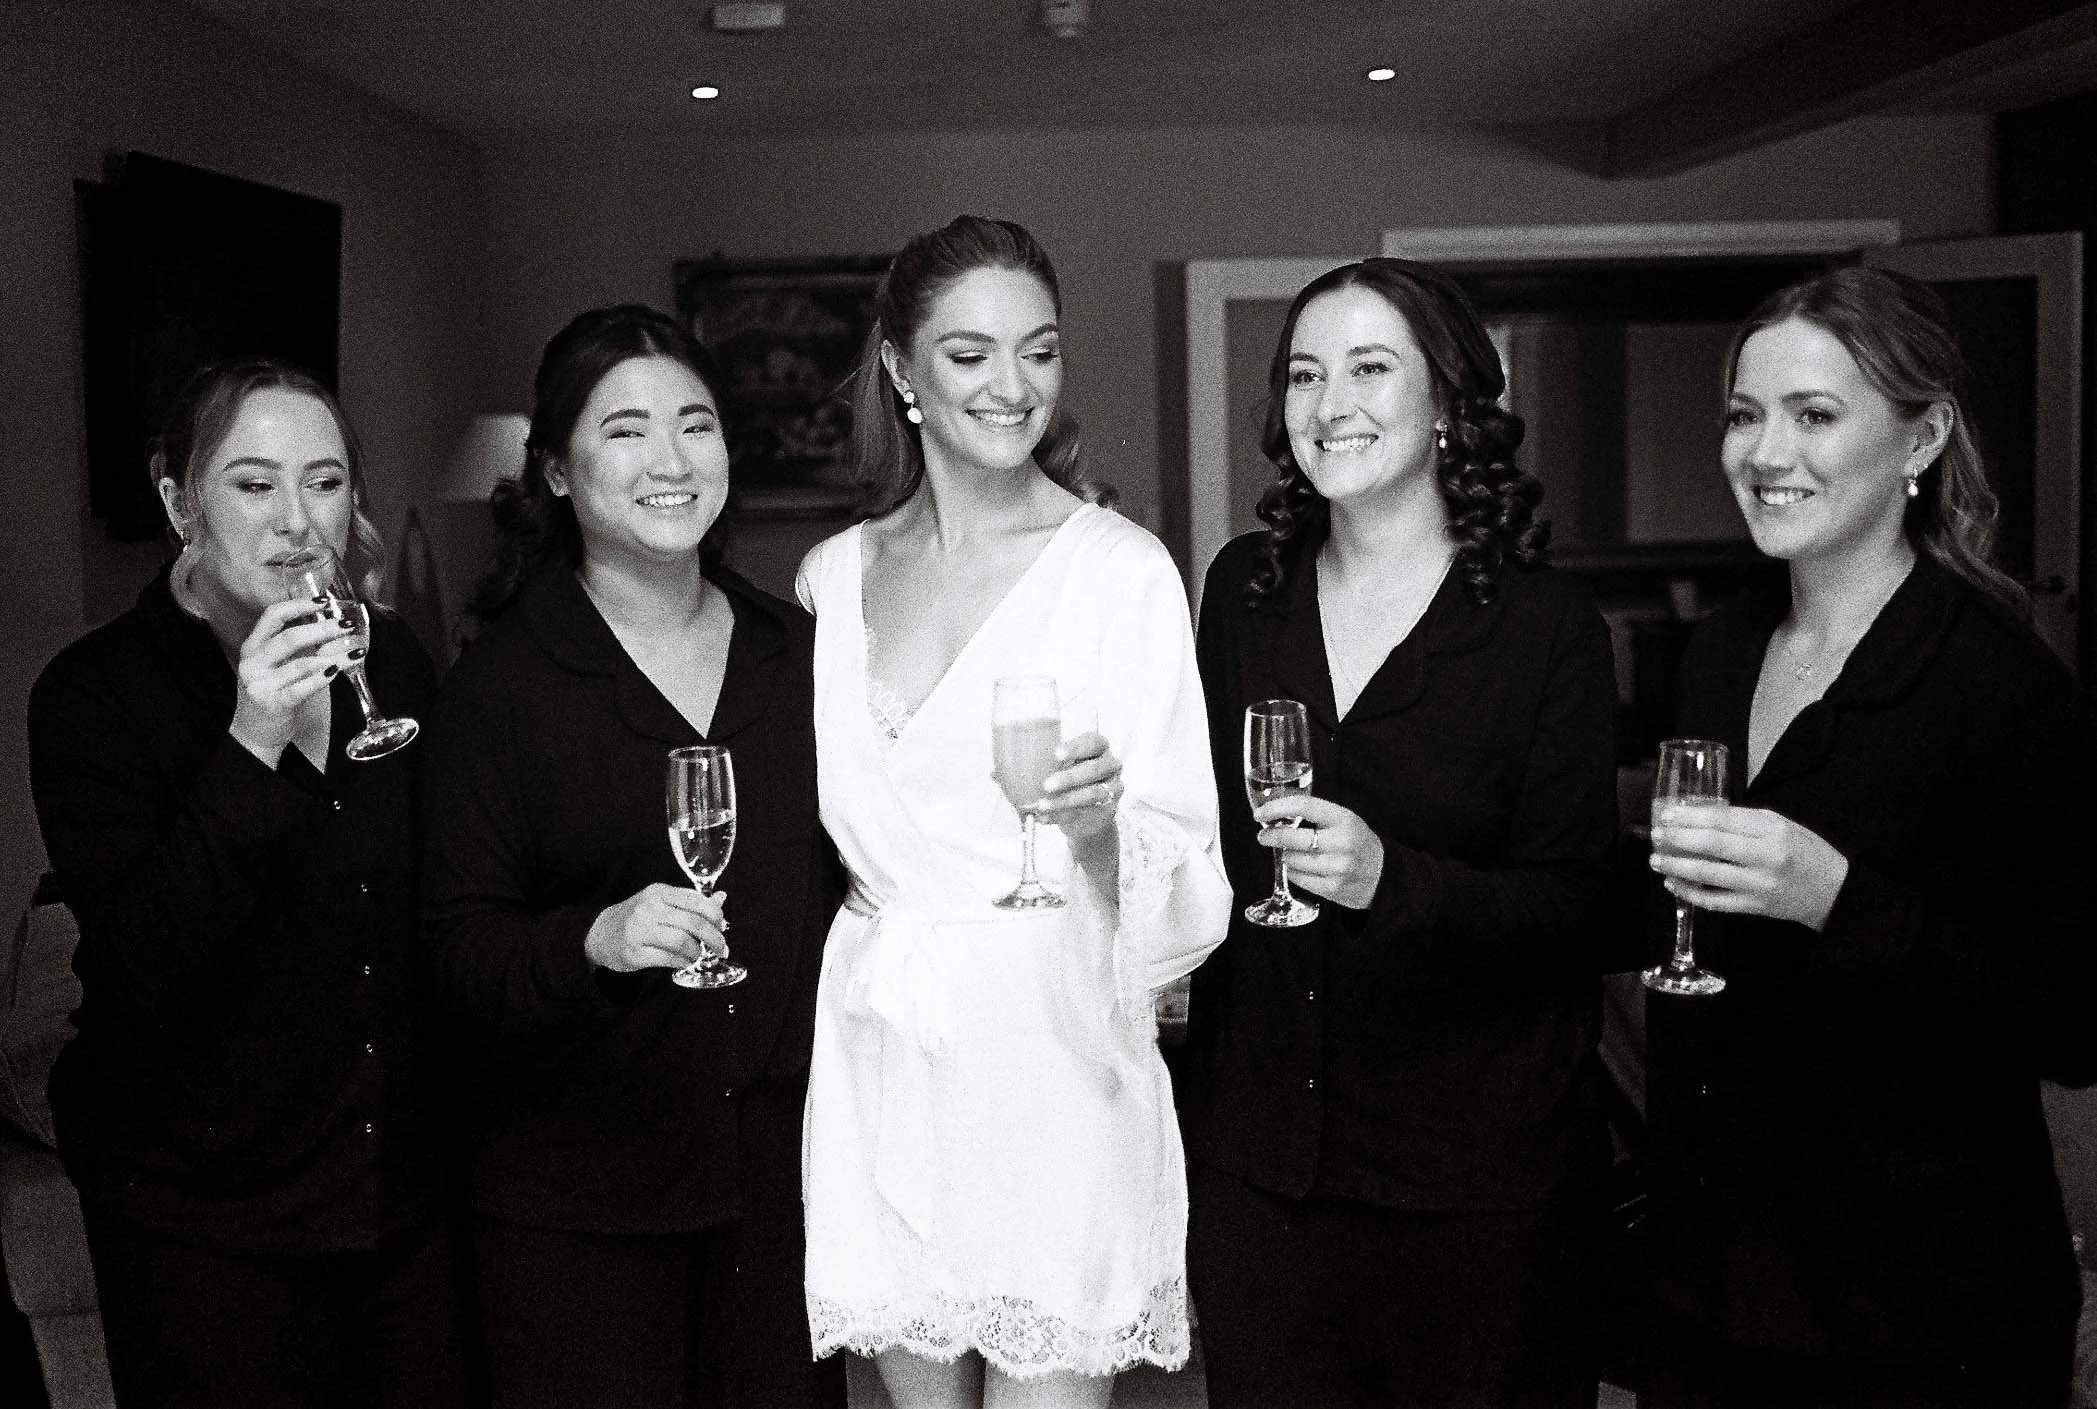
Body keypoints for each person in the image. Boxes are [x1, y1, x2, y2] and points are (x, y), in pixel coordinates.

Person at [1639, 266, 2097, 1407]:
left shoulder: (2003, 689)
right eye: (1745, 415)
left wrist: (1837, 897)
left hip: (1921, 1309)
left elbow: (2076, 1018)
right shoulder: (1719, 651)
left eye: (1814, 415)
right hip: (1714, 1282)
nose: (1765, 453)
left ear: (1921, 438)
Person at [796, 214, 1232, 1408]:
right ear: (902, 370)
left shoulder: (1121, 573)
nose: (1012, 384)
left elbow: (1190, 875)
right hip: (886, 1051)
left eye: (1038, 350)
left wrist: (1097, 831)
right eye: (970, 352)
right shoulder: (831, 580)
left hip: (1054, 1056)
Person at [1185, 257, 1619, 1408]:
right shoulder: (1244, 594)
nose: (1330, 404)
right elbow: (1201, 838)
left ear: (1447, 402)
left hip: (1479, 1197)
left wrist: (1393, 879)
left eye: (1370, 368)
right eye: (1305, 375)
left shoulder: (1544, 629)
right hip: (1266, 1179)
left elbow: (1585, 908)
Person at [420, 304, 841, 1409]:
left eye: (695, 425)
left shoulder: (801, 656)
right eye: (626, 429)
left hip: (783, 1194)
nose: (671, 459)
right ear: (556, 471)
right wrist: (594, 938)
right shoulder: (500, 688)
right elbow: (456, 950)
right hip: (575, 1207)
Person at [26, 360, 464, 1408]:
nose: (298, 520)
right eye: (254, 483)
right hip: (199, 1218)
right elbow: (145, 965)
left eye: (326, 481)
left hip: (396, 1201)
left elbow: (425, 919)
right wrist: (253, 736)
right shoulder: (94, 696)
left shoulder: (395, 661)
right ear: (180, 504)